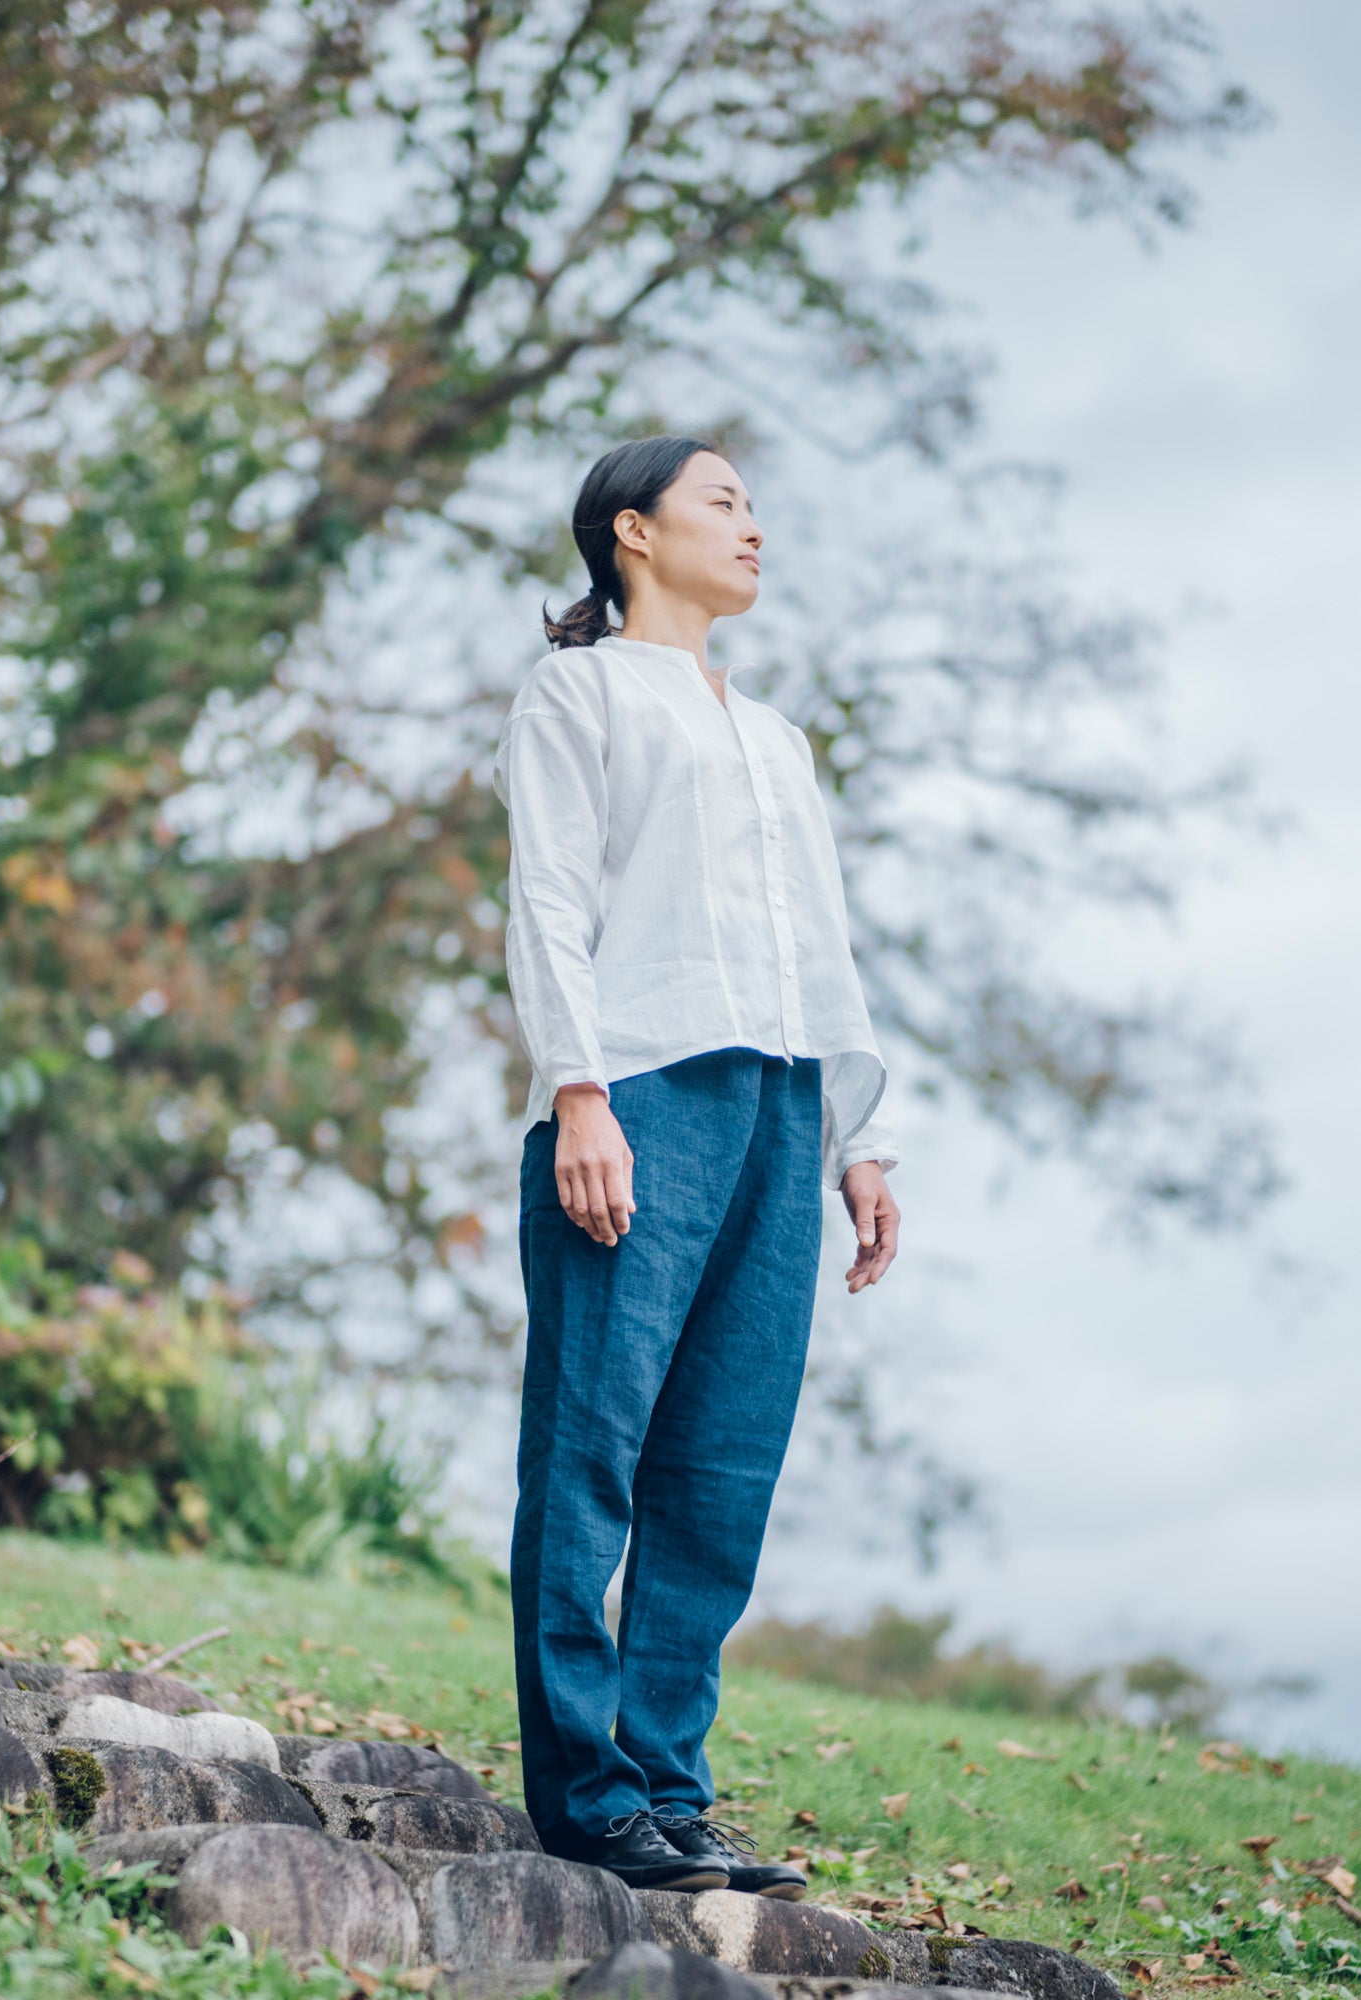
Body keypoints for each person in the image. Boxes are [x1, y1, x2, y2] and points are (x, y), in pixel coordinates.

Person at [498, 436, 904, 1898]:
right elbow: (548, 899)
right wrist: (580, 1091)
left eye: (752, 505)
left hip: (783, 1109)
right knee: (592, 1446)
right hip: (642, 1090)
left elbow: (824, 952)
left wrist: (858, 1141)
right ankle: (590, 1797)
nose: (753, 525)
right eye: (722, 501)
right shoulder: (578, 691)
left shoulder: (780, 737)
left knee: (722, 1468)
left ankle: (673, 1787)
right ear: (631, 531)